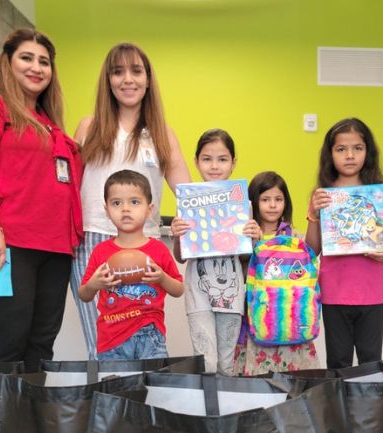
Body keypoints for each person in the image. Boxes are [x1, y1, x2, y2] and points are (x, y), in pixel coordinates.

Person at [0, 29, 83, 372]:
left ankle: (27, 417)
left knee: (40, 343)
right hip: (4, 242)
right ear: (7, 62)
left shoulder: (51, 126)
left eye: (44, 62)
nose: (36, 68)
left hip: (53, 249)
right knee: (5, 338)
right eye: (26, 58)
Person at [71, 43, 191, 360]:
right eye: (118, 71)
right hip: (92, 239)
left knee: (145, 346)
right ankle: (110, 410)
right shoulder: (89, 127)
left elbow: (191, 196)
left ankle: (141, 410)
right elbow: (65, 188)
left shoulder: (163, 134)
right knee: (103, 348)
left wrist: (233, 221)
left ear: (148, 80)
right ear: (108, 80)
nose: (128, 80)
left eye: (136, 71)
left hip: (145, 244)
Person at [305, 118, 383, 369]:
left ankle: (369, 408)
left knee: (371, 362)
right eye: (341, 149)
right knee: (338, 362)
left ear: (367, 152)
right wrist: (314, 214)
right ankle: (339, 409)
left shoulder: (378, 194)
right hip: (334, 293)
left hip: (370, 292)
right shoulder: (322, 194)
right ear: (330, 154)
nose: (349, 155)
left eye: (357, 148)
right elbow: (312, 250)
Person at [170, 129, 261, 375]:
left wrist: (254, 238)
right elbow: (181, 256)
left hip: (231, 294)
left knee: (227, 363)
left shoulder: (244, 205)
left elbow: (246, 257)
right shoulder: (187, 201)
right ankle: (207, 412)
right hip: (197, 292)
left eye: (222, 159)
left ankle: (226, 411)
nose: (214, 166)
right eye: (207, 159)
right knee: (206, 363)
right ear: (196, 161)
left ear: (233, 163)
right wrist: (178, 234)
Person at [79, 170, 184, 360]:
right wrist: (94, 285)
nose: (125, 209)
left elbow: (178, 289)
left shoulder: (158, 249)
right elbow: (84, 294)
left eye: (134, 202)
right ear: (106, 210)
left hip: (151, 337)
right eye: (117, 203)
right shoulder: (101, 251)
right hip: (111, 341)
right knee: (114, 389)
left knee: (153, 388)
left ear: (149, 209)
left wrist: (162, 278)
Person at [233, 171, 320, 375]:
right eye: (265, 199)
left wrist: (313, 216)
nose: (272, 205)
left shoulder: (294, 238)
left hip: (291, 319)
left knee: (294, 383)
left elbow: (312, 256)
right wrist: (253, 243)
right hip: (260, 318)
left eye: (278, 199)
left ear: (286, 203)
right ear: (253, 203)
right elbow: (243, 270)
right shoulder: (245, 236)